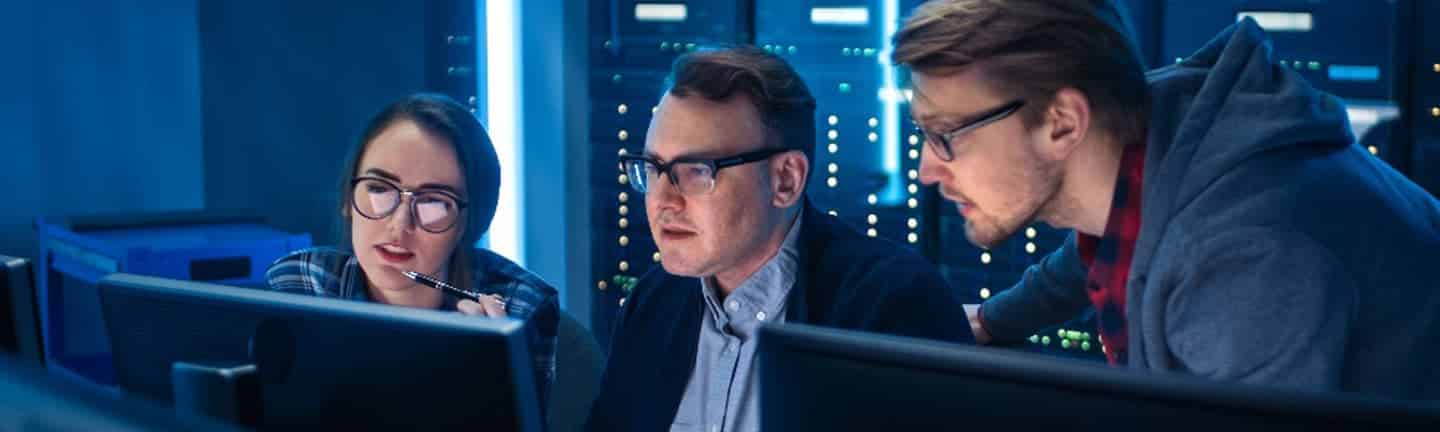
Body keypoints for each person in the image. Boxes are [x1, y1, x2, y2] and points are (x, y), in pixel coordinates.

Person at [894, 0, 1440, 398]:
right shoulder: (1160, 145)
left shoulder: (1245, 261)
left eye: (945, 134)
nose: (925, 169)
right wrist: (993, 320)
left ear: (1062, 123)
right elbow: (1091, 251)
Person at [586, 46, 974, 432]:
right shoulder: (653, 301)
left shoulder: (892, 304)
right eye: (653, 168)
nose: (663, 200)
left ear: (785, 180)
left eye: (696, 171)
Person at [264, 93, 560, 403]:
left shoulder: (518, 306)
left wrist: (484, 380)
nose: (399, 225)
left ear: (469, 224)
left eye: (433, 202)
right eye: (378, 189)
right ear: (347, 199)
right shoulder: (303, 284)